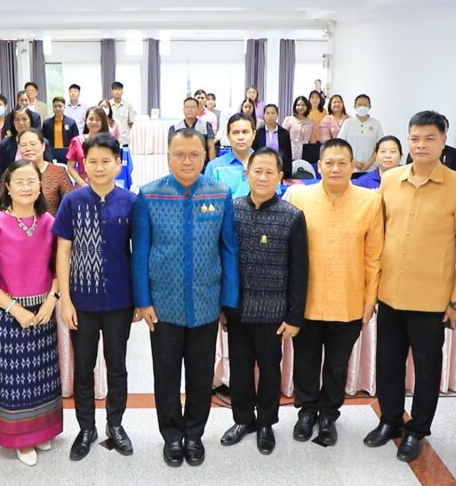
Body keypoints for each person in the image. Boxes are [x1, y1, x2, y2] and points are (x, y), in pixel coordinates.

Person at [365, 110, 456, 462]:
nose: (421, 145)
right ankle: (390, 420)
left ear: (443, 141)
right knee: (388, 363)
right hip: (390, 292)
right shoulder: (390, 180)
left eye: (430, 138)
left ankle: (417, 430)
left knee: (427, 369)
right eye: (415, 138)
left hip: (432, 298)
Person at [133, 128, 239, 468]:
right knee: (165, 375)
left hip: (207, 303)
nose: (187, 161)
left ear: (205, 157)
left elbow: (229, 250)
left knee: (200, 375)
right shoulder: (149, 194)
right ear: (168, 157)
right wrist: (143, 301)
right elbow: (140, 251)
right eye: (179, 154)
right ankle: (172, 436)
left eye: (194, 154)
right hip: (163, 305)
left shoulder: (219, 193)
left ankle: (194, 434)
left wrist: (227, 302)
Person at [285, 139, 383, 447]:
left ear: (353, 166)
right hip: (306, 299)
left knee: (338, 364)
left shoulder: (370, 202)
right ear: (319, 166)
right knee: (305, 360)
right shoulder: (298, 197)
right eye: (329, 162)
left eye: (343, 163)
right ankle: (306, 412)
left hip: (348, 298)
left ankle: (328, 414)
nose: (336, 168)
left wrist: (370, 300)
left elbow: (374, 256)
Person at [0, 159, 62, 467]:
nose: (26, 187)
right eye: (19, 181)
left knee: (43, 377)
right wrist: (16, 310)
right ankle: (20, 440)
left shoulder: (49, 222)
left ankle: (43, 430)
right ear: (7, 187)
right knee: (14, 381)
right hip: (5, 315)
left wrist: (51, 300)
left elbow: (60, 266)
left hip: (43, 310)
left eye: (31, 181)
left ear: (40, 186)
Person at [55, 134, 137, 461]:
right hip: (82, 302)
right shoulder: (72, 202)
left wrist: (138, 299)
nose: (99, 167)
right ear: (83, 165)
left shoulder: (131, 202)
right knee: (84, 368)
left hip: (120, 301)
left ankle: (115, 425)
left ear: (118, 163)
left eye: (106, 161)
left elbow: (138, 253)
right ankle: (86, 428)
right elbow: (63, 252)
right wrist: (65, 300)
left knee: (117, 366)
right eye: (92, 161)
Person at [221, 148, 307, 455]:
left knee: (270, 370)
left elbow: (300, 270)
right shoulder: (231, 211)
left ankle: (267, 423)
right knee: (240, 368)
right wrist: (222, 306)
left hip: (274, 312)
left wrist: (295, 316)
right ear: (247, 174)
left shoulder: (292, 216)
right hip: (238, 309)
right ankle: (243, 419)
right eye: (257, 171)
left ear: (280, 177)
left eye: (269, 172)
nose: (262, 177)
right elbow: (223, 260)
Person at [0, 129, 71, 214]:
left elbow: (70, 204)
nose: (28, 148)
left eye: (33, 144)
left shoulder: (58, 172)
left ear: (43, 146)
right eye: (23, 145)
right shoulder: (11, 172)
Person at [0, 107, 52, 186]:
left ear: (30, 121)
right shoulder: (5, 144)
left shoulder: (43, 142)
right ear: (12, 122)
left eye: (24, 119)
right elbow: (0, 173)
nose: (21, 123)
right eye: (17, 120)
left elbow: (49, 168)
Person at [204, 113, 256, 198]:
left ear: (254, 134)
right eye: (235, 133)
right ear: (228, 136)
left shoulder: (265, 164)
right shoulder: (214, 167)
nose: (241, 137)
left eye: (245, 132)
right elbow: (207, 201)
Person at [66, 107, 112, 187]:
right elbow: (70, 167)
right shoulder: (77, 141)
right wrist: (83, 184)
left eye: (98, 120)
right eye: (91, 119)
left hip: (104, 184)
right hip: (82, 185)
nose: (94, 122)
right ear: (86, 120)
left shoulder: (109, 142)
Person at [340, 94, 384, 176]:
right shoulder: (347, 123)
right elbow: (341, 145)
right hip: (351, 168)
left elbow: (380, 145)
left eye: (365, 105)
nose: (362, 107)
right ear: (354, 107)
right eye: (359, 105)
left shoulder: (376, 123)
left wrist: (369, 163)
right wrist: (353, 161)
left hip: (372, 168)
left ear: (370, 107)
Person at [169, 97, 217, 164]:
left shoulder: (206, 125)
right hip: (182, 164)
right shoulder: (175, 127)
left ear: (198, 110)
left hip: (203, 164)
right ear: (183, 110)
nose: (190, 109)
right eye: (187, 107)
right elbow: (171, 150)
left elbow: (211, 147)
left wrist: (212, 166)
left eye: (193, 107)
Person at [252, 104, 293, 180]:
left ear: (277, 115)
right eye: (267, 113)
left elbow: (288, 155)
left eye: (273, 113)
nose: (270, 116)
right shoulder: (258, 133)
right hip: (261, 166)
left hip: (279, 168)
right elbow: (254, 152)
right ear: (264, 115)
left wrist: (287, 173)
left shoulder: (284, 133)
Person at [42, 97, 80, 164]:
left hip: (68, 153)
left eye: (60, 106)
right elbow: (43, 140)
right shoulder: (46, 123)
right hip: (51, 152)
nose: (57, 108)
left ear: (64, 107)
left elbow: (76, 140)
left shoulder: (71, 122)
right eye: (55, 106)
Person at [282, 96, 317, 161]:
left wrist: (314, 154)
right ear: (295, 106)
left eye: (303, 105)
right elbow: (283, 138)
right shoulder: (288, 120)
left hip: (306, 151)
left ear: (307, 106)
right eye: (298, 105)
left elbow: (312, 139)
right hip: (291, 149)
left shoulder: (311, 122)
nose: (300, 107)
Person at [108, 81, 136, 146]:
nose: (117, 92)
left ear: (122, 91)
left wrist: (123, 132)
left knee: (124, 153)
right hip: (110, 138)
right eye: (115, 89)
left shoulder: (128, 106)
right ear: (111, 91)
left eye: (119, 89)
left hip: (124, 139)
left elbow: (130, 122)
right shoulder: (107, 105)